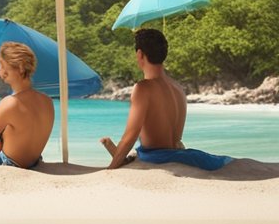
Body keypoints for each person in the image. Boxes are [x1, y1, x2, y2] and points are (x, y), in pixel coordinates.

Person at [99, 28, 232, 171]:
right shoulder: (178, 88)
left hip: (157, 157)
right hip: (179, 154)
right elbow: (177, 138)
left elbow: (129, 137)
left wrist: (110, 169)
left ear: (139, 54)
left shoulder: (143, 88)